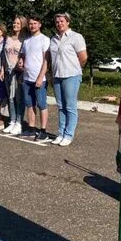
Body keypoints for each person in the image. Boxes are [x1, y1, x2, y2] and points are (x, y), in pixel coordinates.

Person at [48, 13, 87, 146]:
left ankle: (69, 134)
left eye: (62, 21)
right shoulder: (53, 39)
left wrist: (74, 68)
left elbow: (83, 57)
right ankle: (61, 133)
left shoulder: (76, 37)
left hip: (71, 75)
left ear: (68, 22)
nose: (59, 23)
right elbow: (52, 60)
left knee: (70, 107)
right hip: (57, 76)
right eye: (57, 21)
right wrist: (52, 76)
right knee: (60, 106)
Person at [18, 16, 51, 140]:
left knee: (42, 104)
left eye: (35, 23)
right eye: (31, 24)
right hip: (27, 78)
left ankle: (43, 130)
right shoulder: (27, 41)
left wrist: (40, 77)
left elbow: (46, 61)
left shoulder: (45, 40)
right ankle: (31, 128)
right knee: (29, 104)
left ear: (40, 25)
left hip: (39, 79)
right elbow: (23, 55)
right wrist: (21, 60)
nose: (32, 26)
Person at [2, 16, 28, 135]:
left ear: (23, 25)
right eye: (14, 22)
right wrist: (2, 69)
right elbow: (4, 55)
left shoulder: (25, 39)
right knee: (10, 98)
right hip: (8, 71)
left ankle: (19, 122)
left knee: (19, 98)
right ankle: (12, 121)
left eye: (18, 23)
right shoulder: (8, 38)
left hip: (19, 72)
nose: (15, 24)